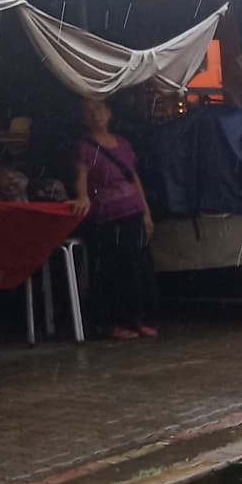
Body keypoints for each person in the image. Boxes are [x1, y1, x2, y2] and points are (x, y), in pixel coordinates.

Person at [71, 98, 158, 341]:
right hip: (106, 216)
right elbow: (81, 176)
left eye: (99, 109)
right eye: (89, 111)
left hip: (133, 211)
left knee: (138, 267)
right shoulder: (84, 147)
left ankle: (137, 319)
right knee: (112, 269)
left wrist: (146, 212)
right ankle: (112, 323)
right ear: (83, 118)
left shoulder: (123, 143)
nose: (95, 114)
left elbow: (134, 178)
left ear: (109, 113)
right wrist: (82, 197)